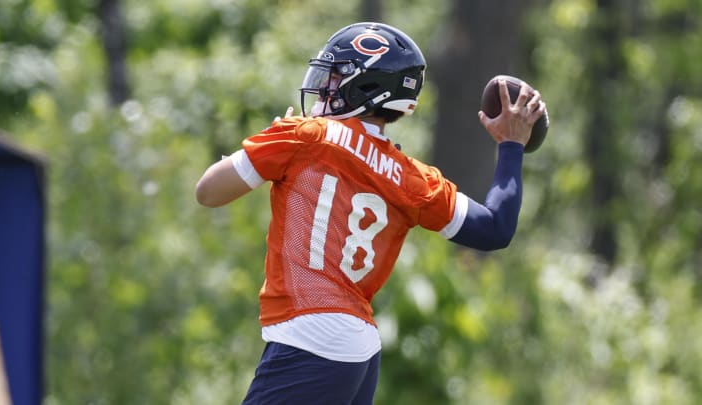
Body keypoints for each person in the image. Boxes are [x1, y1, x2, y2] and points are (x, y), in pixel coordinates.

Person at [195, 22, 546, 405]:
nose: (325, 87)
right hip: (359, 350)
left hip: (309, 333)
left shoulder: (306, 135)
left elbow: (208, 191)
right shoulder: (410, 176)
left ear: (364, 87)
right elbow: (495, 228)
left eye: (334, 77)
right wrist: (511, 146)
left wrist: (271, 138)